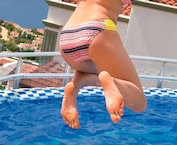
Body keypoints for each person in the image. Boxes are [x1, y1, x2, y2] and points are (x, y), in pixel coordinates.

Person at [59, 0, 147, 129]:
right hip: (97, 28)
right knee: (140, 102)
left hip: (68, 34)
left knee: (93, 70)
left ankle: (74, 86)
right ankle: (111, 82)